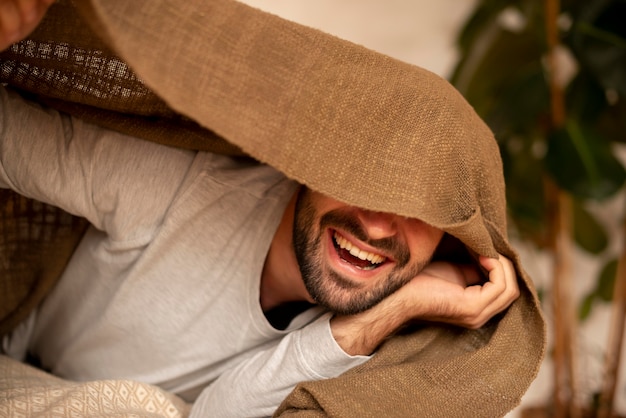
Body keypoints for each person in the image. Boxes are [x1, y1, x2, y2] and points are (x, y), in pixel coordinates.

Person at [0, 0, 531, 417]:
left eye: (418, 210)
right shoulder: (178, 187)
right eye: (360, 182)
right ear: (308, 166)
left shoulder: (398, 317)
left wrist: (382, 316)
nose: (375, 225)